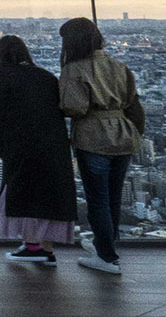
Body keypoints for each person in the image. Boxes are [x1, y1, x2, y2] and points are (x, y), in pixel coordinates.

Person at [59, 17, 144, 276]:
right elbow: (133, 103)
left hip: (94, 137)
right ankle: (104, 246)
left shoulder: (75, 69)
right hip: (123, 136)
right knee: (113, 198)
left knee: (98, 201)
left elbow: (75, 107)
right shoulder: (119, 66)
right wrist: (135, 133)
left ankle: (107, 257)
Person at [0, 35, 76, 266]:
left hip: (22, 146)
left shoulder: (5, 77)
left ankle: (32, 247)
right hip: (54, 146)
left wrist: (2, 149)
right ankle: (46, 250)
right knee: (48, 198)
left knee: (24, 197)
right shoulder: (46, 76)